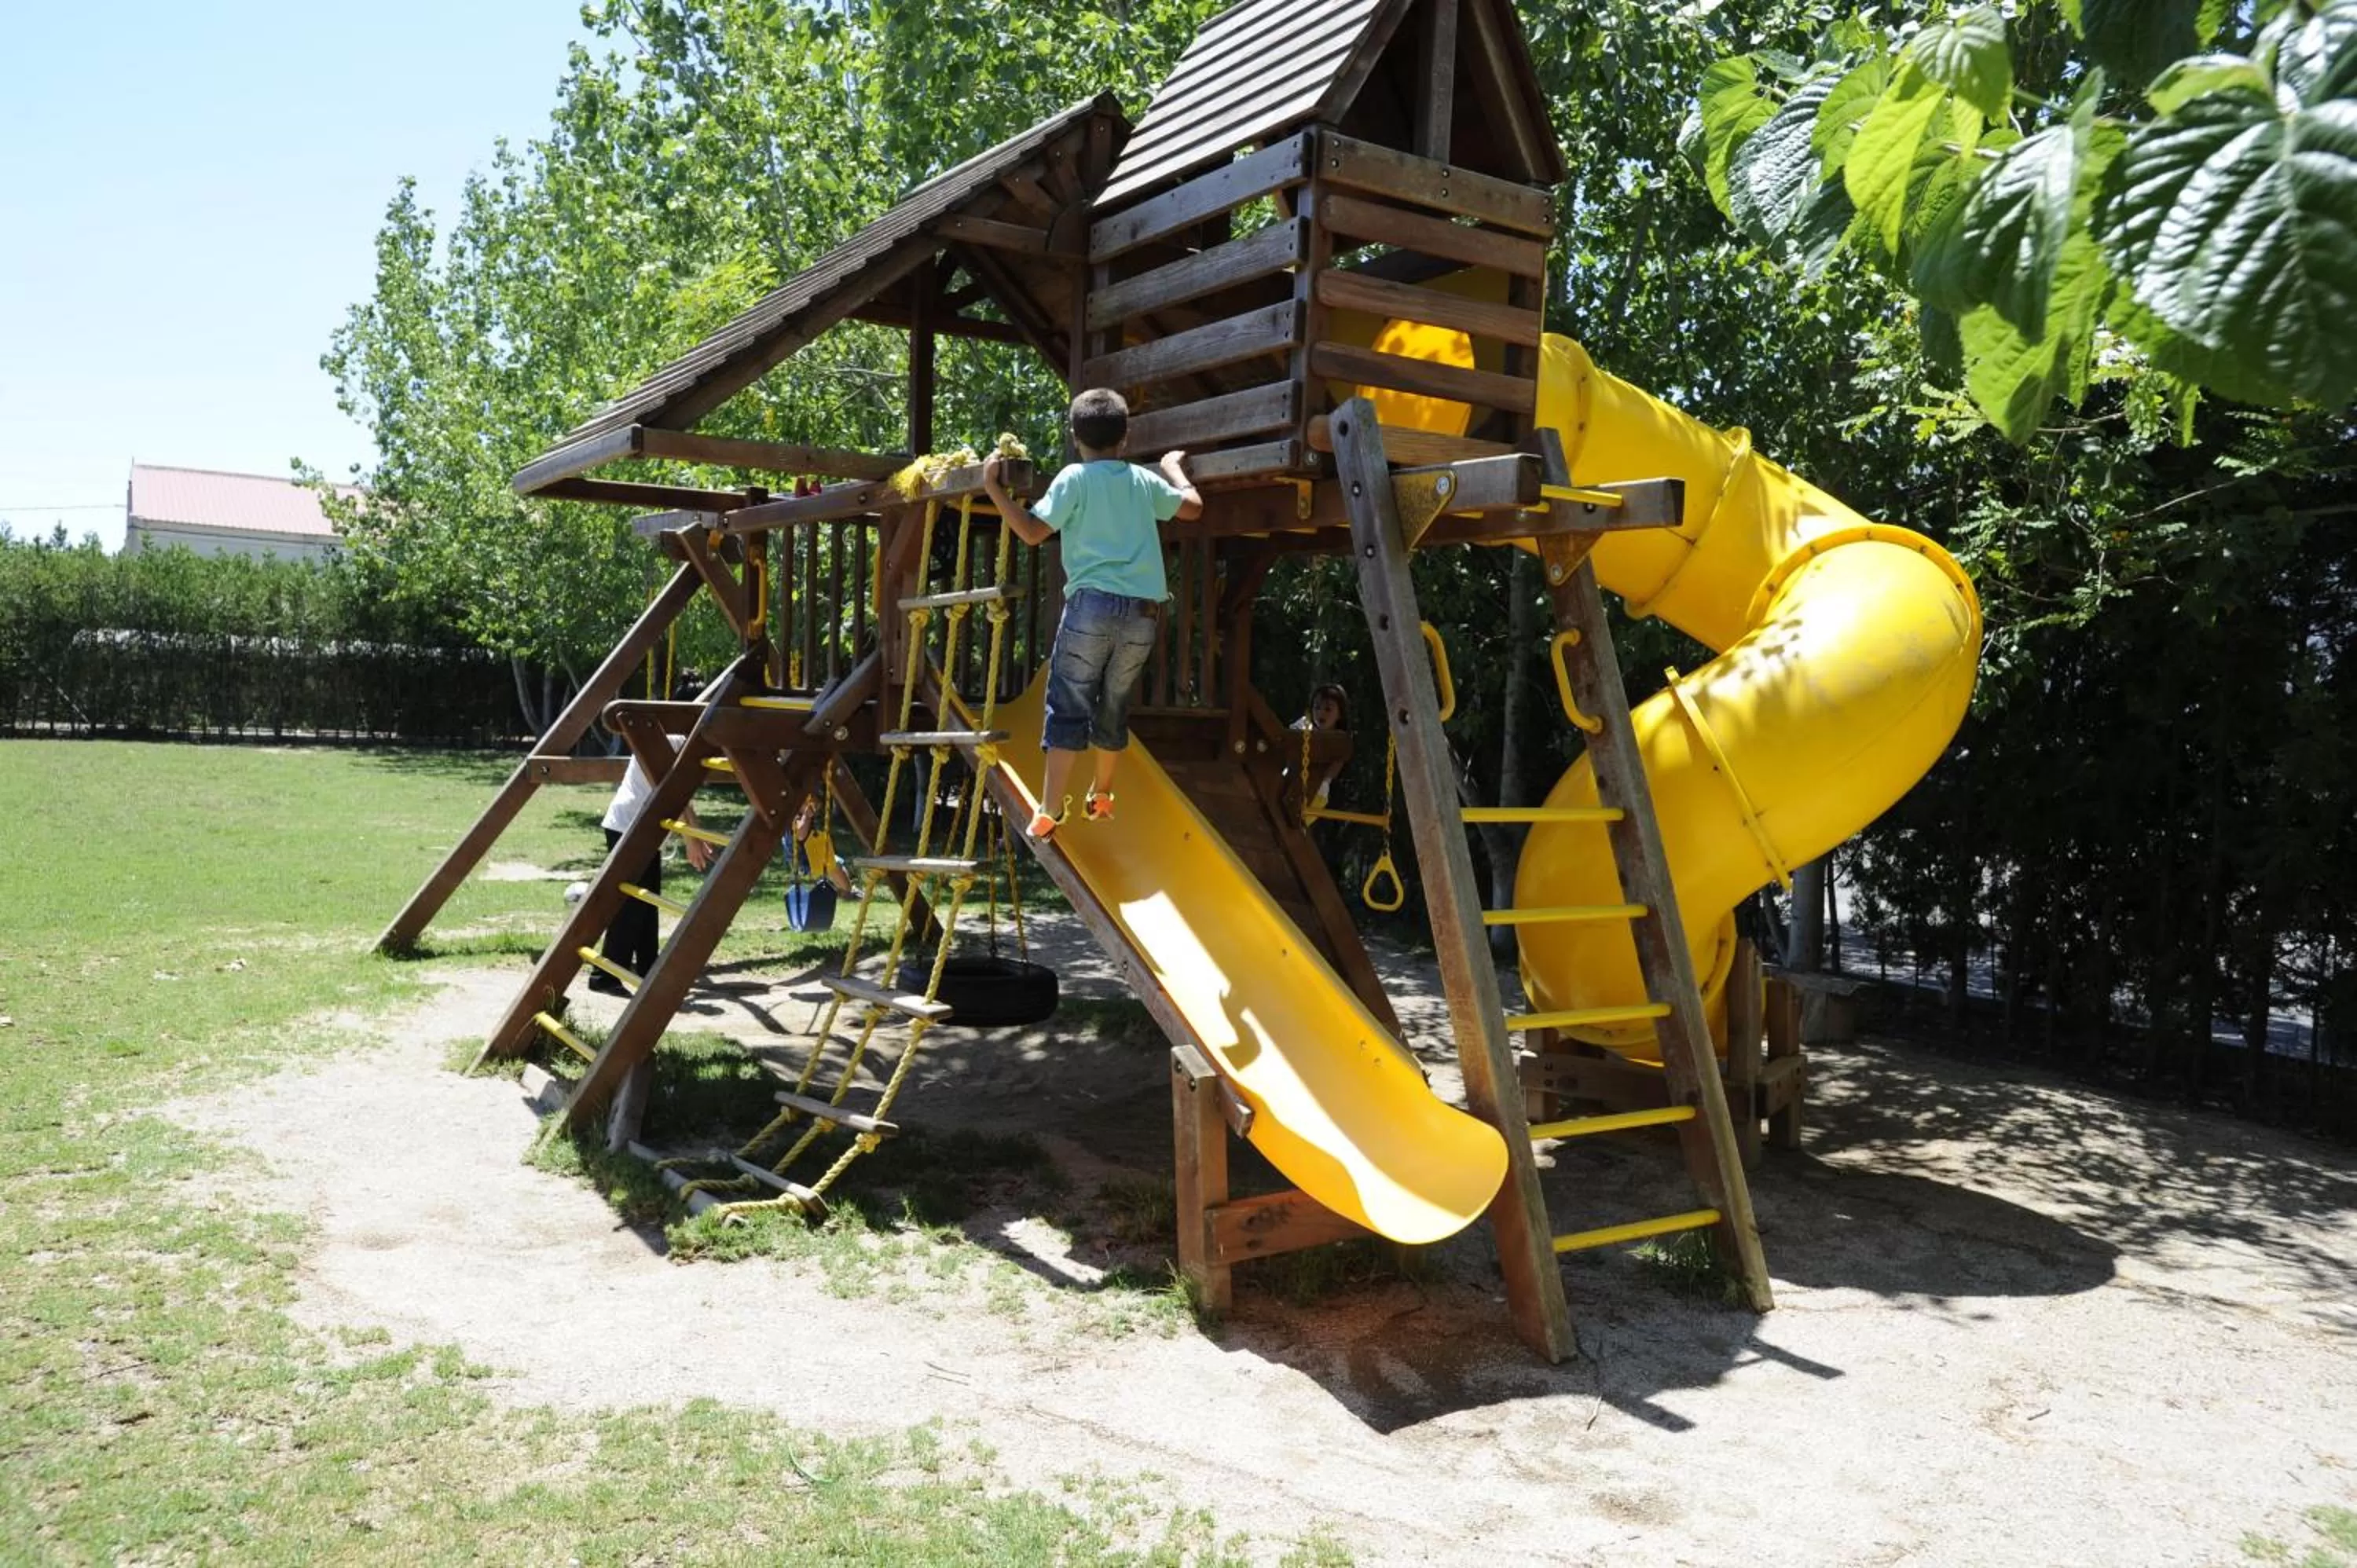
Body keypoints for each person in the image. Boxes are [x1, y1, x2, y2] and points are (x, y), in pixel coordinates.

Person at [982, 389, 1202, 839]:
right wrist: (1173, 468)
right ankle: (1102, 795)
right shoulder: (1143, 480)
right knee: (1115, 703)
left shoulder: (1074, 478)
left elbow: (1030, 531)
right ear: (1125, 437)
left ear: (1074, 438)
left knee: (1068, 703)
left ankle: (1049, 807)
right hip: (1143, 613)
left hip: (1091, 607)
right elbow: (1193, 509)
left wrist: (993, 489)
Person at [588, 675, 714, 995]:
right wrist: (692, 838)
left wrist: (695, 834)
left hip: (641, 828)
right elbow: (673, 790)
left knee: (646, 904)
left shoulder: (671, 736)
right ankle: (605, 977)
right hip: (629, 824)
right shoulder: (671, 738)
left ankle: (647, 969)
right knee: (630, 904)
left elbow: (681, 792)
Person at [1291, 683, 1351, 811]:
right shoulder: (1305, 726)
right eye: (1317, 708)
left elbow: (1335, 767)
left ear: (1339, 714)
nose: (1321, 713)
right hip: (1293, 782)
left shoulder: (1340, 740)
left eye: (1328, 709)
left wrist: (1324, 783)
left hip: (1318, 791)